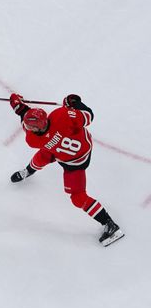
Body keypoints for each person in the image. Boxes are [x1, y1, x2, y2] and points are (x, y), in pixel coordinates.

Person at [9, 92, 123, 247]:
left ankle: (110, 225)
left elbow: (26, 123)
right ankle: (27, 172)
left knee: (77, 197)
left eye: (31, 127)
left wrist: (18, 107)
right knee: (40, 158)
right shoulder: (61, 114)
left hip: (74, 163)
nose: (28, 128)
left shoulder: (32, 139)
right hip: (81, 146)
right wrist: (74, 103)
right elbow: (89, 116)